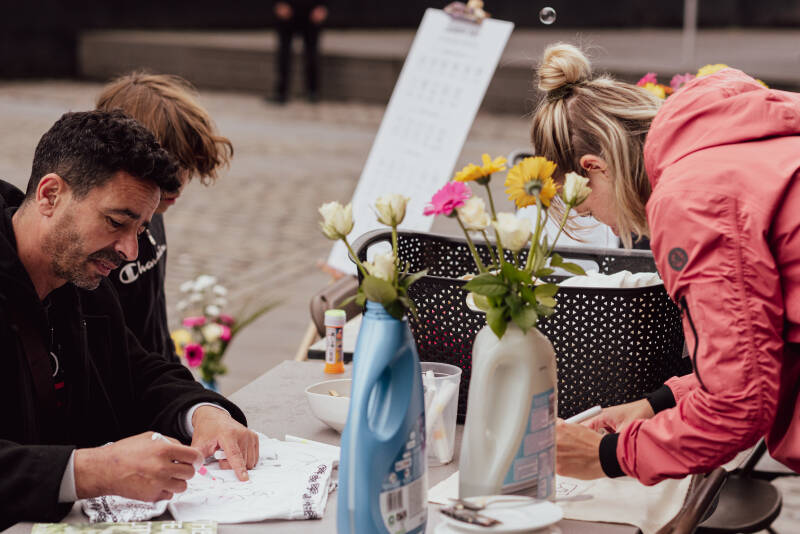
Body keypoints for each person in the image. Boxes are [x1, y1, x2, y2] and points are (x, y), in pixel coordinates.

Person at [529, 43, 800, 484]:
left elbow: (738, 407)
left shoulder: (690, 202)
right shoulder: (732, 136)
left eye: (587, 210)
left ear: (594, 168)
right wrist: (661, 402)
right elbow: (765, 347)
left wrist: (607, 455)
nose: (608, 225)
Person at [0, 110, 258, 528]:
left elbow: (138, 372)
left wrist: (204, 413)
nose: (129, 251)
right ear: (50, 195)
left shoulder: (84, 280)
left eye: (139, 230)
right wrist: (92, 471)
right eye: (116, 222)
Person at [95, 72, 234, 364]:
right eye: (172, 165)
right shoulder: (99, 240)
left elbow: (153, 323)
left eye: (187, 165)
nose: (181, 181)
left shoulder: (154, 213)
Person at [272, 0, 328, 103]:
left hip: (311, 11)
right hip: (288, 9)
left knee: (311, 54)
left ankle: (312, 91)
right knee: (284, 55)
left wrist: (322, 6)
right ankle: (281, 92)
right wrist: (279, 3)